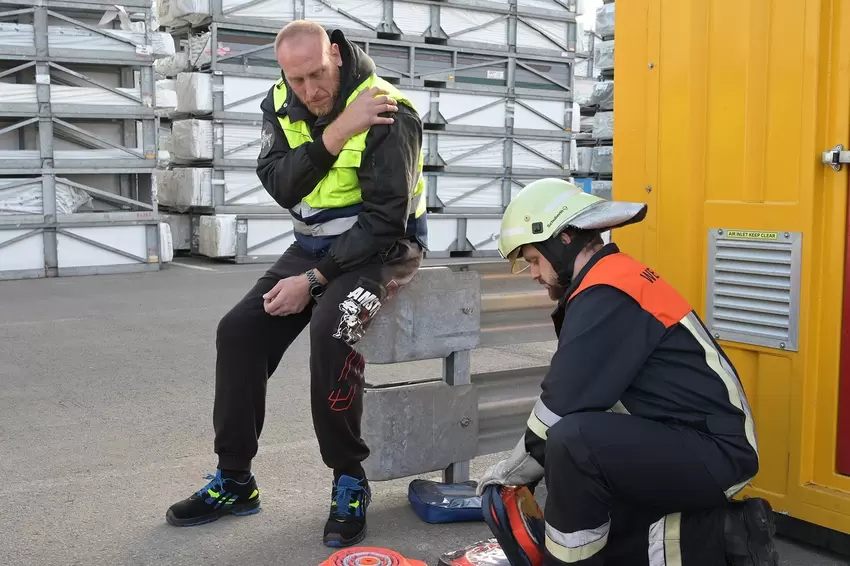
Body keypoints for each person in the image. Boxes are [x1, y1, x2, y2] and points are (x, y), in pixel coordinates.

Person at [165, 19, 428, 549]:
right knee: (238, 331)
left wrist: (313, 281)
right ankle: (236, 479)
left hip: (380, 251)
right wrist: (334, 134)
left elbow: (384, 222)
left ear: (336, 53)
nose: (309, 91)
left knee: (332, 331)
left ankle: (350, 478)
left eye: (317, 75)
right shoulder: (282, 103)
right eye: (297, 79)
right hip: (312, 245)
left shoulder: (387, 110)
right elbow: (281, 185)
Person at [477, 178, 778, 565]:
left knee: (574, 442)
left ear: (563, 240)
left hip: (713, 453)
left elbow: (562, 405)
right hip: (694, 441)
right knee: (601, 513)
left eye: (534, 259)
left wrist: (514, 472)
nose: (534, 274)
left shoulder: (608, 292)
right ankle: (730, 535)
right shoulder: (611, 281)